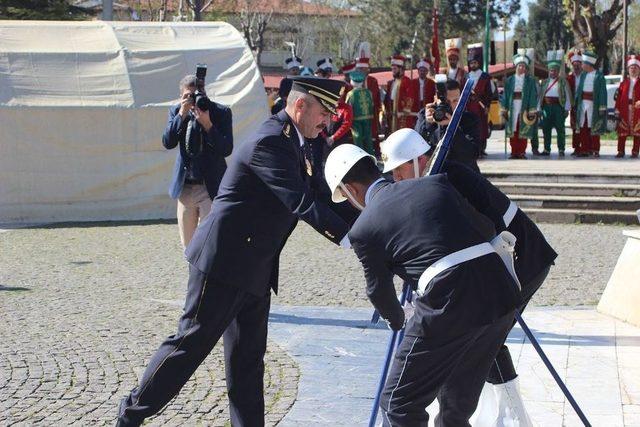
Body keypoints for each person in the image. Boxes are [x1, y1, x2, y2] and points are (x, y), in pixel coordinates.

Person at [116, 76, 351, 427]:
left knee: (247, 363)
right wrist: (352, 240)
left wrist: (371, 220)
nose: (328, 121)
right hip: (224, 264)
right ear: (300, 105)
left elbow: (319, 192)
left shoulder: (304, 142)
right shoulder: (271, 141)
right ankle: (130, 415)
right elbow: (301, 202)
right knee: (188, 348)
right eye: (323, 112)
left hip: (256, 266)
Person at [324, 144, 520, 426]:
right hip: (500, 292)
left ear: (350, 190)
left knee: (397, 404)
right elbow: (487, 227)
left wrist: (398, 320)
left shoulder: (363, 228)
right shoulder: (435, 184)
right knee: (456, 398)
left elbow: (378, 290)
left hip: (449, 301)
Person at [380, 128, 558, 426]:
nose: (396, 181)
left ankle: (498, 418)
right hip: (504, 262)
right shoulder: (437, 177)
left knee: (477, 342)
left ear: (417, 160)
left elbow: (480, 232)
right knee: (481, 341)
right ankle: (509, 417)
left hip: (522, 262)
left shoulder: (446, 178)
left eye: (398, 172)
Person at [162, 74, 233, 247]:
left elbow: (226, 149)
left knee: (210, 243)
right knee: (188, 246)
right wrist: (181, 115)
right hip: (186, 187)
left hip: (210, 187)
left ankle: (210, 274)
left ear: (204, 92)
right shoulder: (177, 111)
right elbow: (168, 142)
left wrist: (208, 125)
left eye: (197, 94)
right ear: (182, 96)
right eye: (188, 96)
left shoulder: (220, 112)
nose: (193, 99)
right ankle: (193, 274)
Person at [413, 78, 481, 172]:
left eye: (455, 101)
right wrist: (427, 124)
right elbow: (416, 149)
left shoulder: (469, 119)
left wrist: (453, 128)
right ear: (435, 99)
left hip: (464, 175)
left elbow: (472, 154)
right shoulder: (425, 116)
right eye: (447, 102)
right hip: (435, 176)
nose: (452, 106)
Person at [501, 49, 538, 159]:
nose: (521, 68)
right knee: (513, 130)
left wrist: (532, 109)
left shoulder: (530, 81)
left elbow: (532, 95)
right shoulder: (509, 80)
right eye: (520, 66)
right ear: (516, 67)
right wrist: (504, 109)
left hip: (524, 107)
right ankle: (514, 152)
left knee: (523, 130)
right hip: (512, 107)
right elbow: (505, 95)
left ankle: (521, 152)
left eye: (523, 66)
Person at [538, 49, 572, 156]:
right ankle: (546, 149)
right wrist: (539, 108)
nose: (553, 72)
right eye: (551, 70)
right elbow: (540, 96)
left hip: (558, 107)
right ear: (549, 71)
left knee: (560, 129)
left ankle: (561, 149)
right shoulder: (544, 82)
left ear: (558, 71)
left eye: (555, 70)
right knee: (546, 129)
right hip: (546, 107)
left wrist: (566, 109)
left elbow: (567, 95)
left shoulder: (563, 82)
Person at [574, 51, 607, 157]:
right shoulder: (583, 75)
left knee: (594, 128)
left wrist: (602, 107)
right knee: (583, 127)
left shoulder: (599, 76)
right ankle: (584, 149)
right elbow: (579, 90)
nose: (581, 66)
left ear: (588, 65)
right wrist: (576, 103)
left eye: (583, 64)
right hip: (583, 104)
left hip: (594, 105)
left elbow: (602, 92)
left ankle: (595, 149)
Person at [466, 43, 494, 157]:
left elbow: (489, 93)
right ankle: (471, 148)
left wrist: (487, 106)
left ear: (479, 63)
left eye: (475, 63)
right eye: (471, 63)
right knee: (470, 128)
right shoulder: (466, 77)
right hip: (469, 107)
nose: (473, 65)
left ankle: (482, 149)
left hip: (481, 107)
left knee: (482, 128)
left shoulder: (485, 77)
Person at [356, 42, 383, 154]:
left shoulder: (373, 81)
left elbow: (376, 97)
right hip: (358, 117)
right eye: (360, 69)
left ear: (368, 69)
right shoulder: (355, 81)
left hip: (371, 114)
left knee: (371, 136)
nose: (361, 71)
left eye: (364, 69)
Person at [384, 54, 419, 135]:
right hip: (392, 116)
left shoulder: (407, 81)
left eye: (395, 69)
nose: (393, 71)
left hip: (402, 116)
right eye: (392, 69)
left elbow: (410, 97)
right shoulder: (391, 83)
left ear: (401, 69)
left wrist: (405, 111)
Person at [614, 55, 640, 158]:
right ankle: (621, 151)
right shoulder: (623, 83)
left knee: (637, 131)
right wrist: (617, 109)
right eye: (631, 68)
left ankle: (635, 151)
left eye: (635, 68)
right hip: (624, 109)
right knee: (622, 131)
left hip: (637, 109)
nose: (633, 69)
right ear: (628, 69)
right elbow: (618, 97)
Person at [346, 70, 375, 155]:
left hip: (356, 121)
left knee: (358, 140)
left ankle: (360, 158)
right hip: (368, 119)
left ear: (353, 81)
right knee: (368, 140)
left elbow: (348, 107)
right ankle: (371, 158)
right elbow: (372, 105)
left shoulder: (351, 94)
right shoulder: (369, 92)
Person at [566, 50, 583, 155]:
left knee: (584, 126)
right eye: (574, 65)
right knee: (574, 127)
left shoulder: (585, 76)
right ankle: (576, 148)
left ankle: (586, 147)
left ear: (581, 65)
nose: (576, 67)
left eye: (578, 65)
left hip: (584, 103)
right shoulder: (569, 78)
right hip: (574, 104)